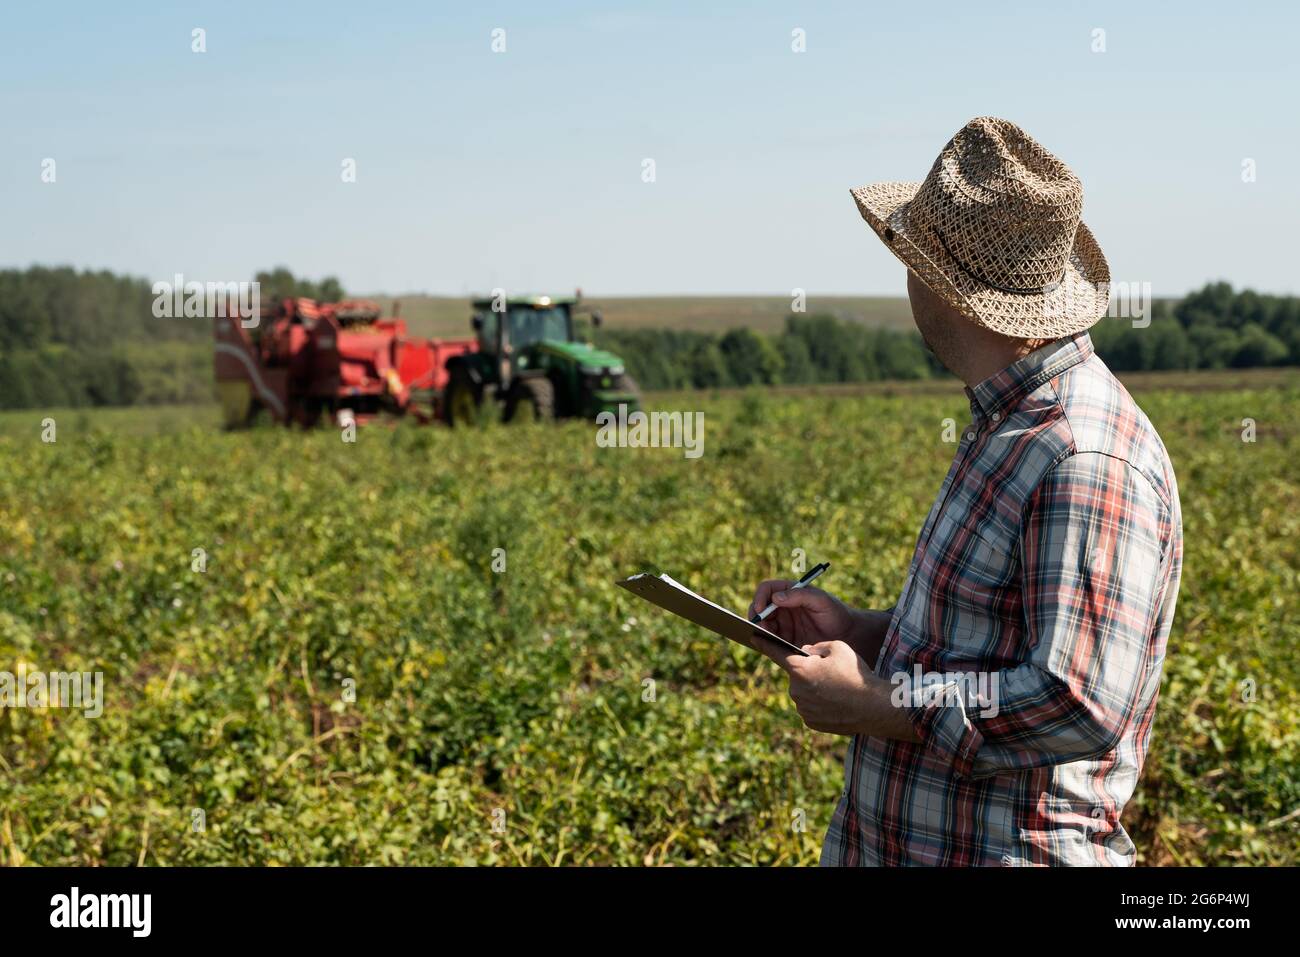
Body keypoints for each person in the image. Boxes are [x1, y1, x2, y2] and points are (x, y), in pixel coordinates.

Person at [749, 117, 1183, 866]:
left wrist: (881, 704)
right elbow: (983, 644)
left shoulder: (1083, 454)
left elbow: (1075, 702)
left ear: (946, 288)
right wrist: (861, 632)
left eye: (910, 259)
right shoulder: (1005, 420)